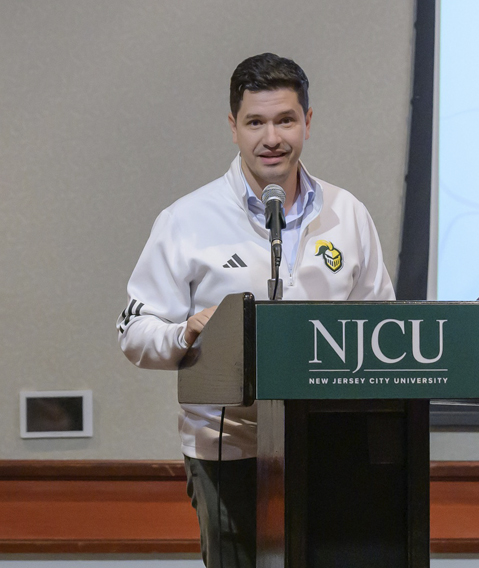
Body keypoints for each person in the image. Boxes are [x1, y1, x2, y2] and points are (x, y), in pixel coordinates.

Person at [116, 53, 394, 568]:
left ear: (308, 122)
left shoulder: (347, 214)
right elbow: (135, 332)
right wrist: (188, 333)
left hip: (331, 449)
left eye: (286, 120)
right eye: (256, 123)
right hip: (230, 453)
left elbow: (381, 329)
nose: (272, 138)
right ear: (233, 127)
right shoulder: (186, 220)